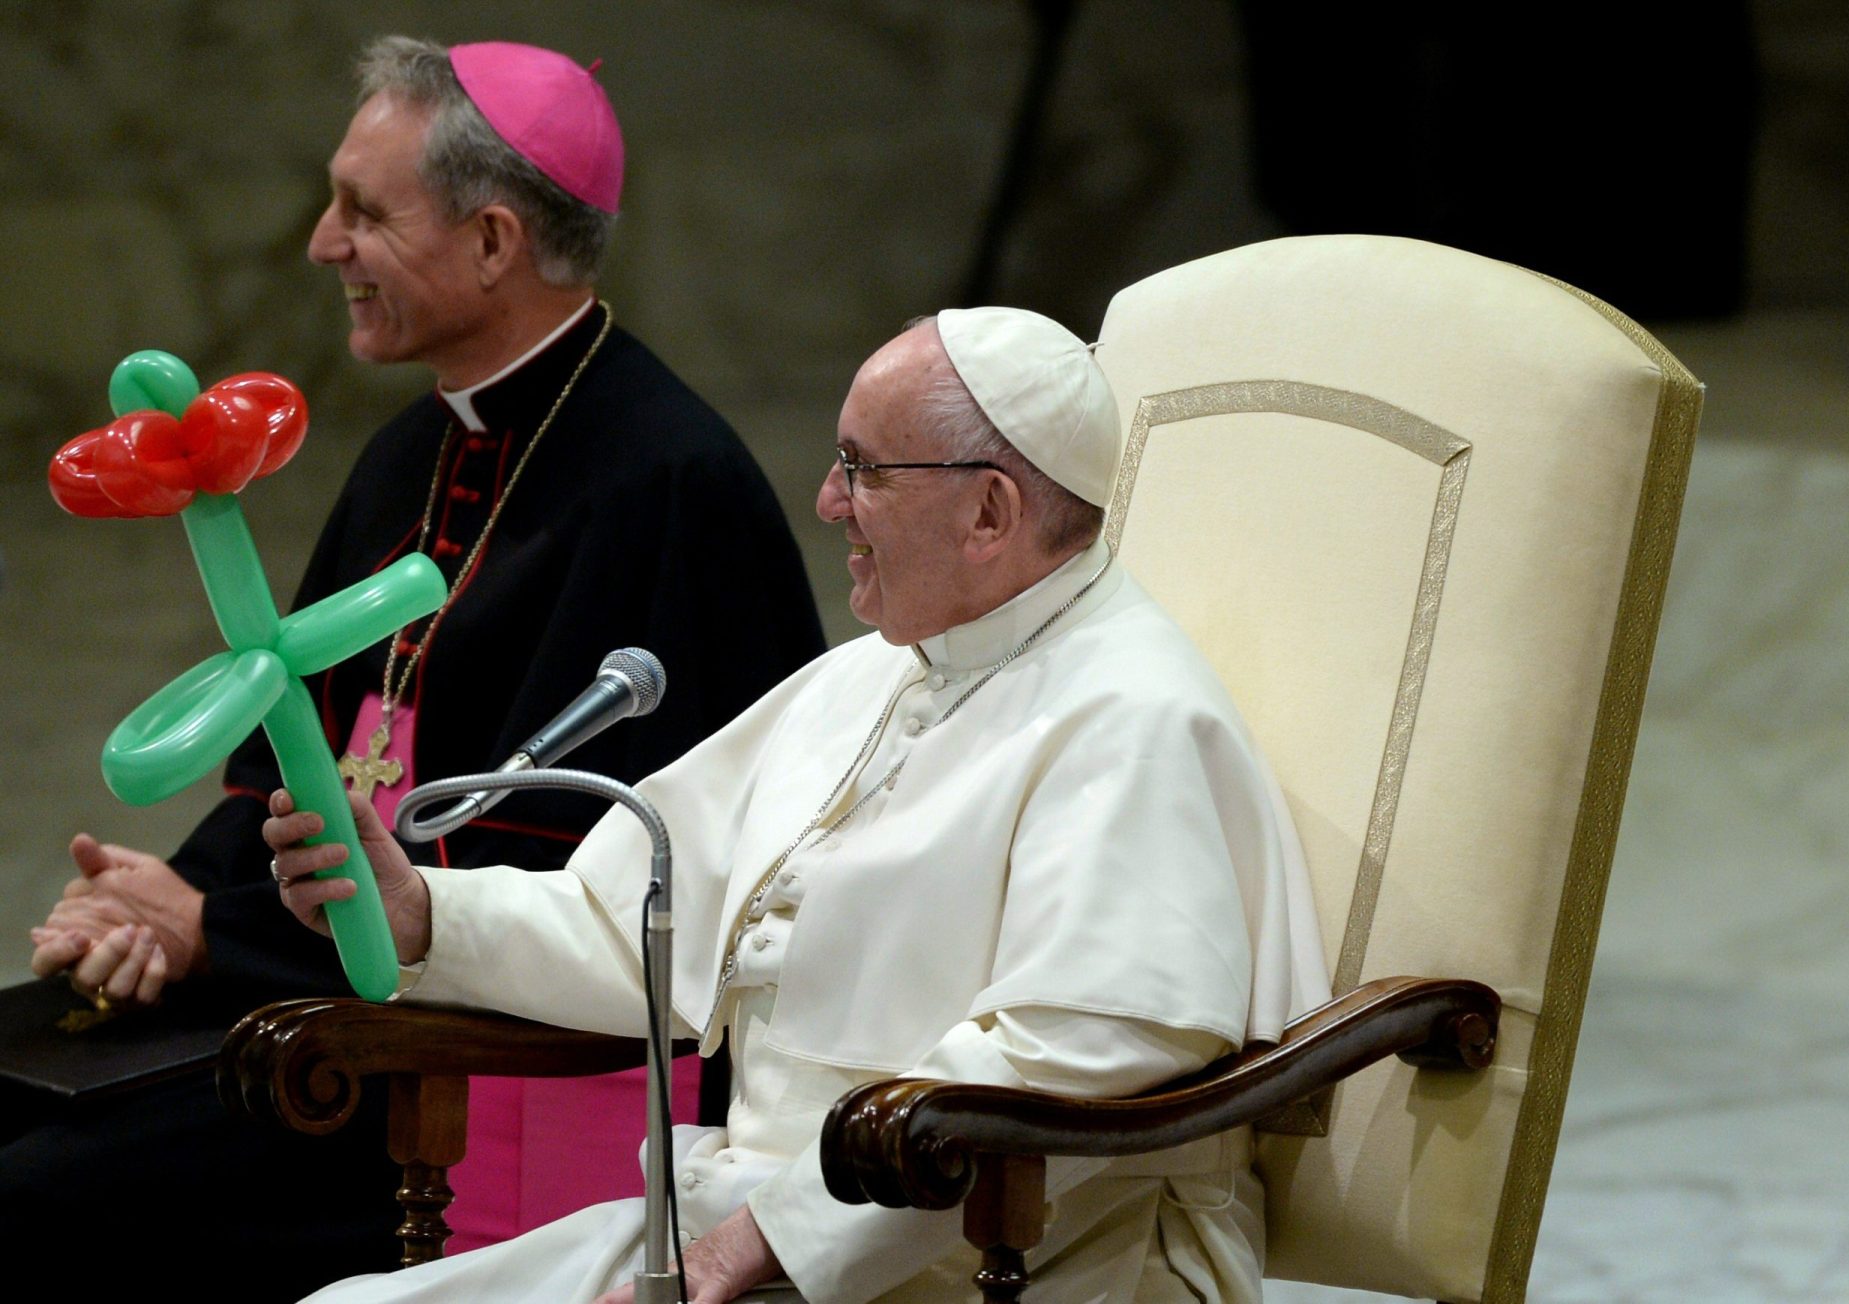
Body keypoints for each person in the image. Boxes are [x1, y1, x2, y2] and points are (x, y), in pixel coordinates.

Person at [269, 307, 1330, 1303]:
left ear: (991, 511)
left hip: (994, 1268)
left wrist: (759, 1241)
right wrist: (422, 912)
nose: (827, 499)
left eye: (863, 469)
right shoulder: (870, 675)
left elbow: (1071, 1051)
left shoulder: (1135, 716)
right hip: (737, 1238)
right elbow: (637, 920)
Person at [5, 35, 822, 1297]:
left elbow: (592, 900)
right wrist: (161, 898)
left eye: (363, 211)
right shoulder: (408, 453)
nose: (323, 243)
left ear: (494, 242)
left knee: (45, 1196)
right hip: (333, 1006)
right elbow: (305, 755)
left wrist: (214, 932)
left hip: (463, 1081)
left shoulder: (671, 489)